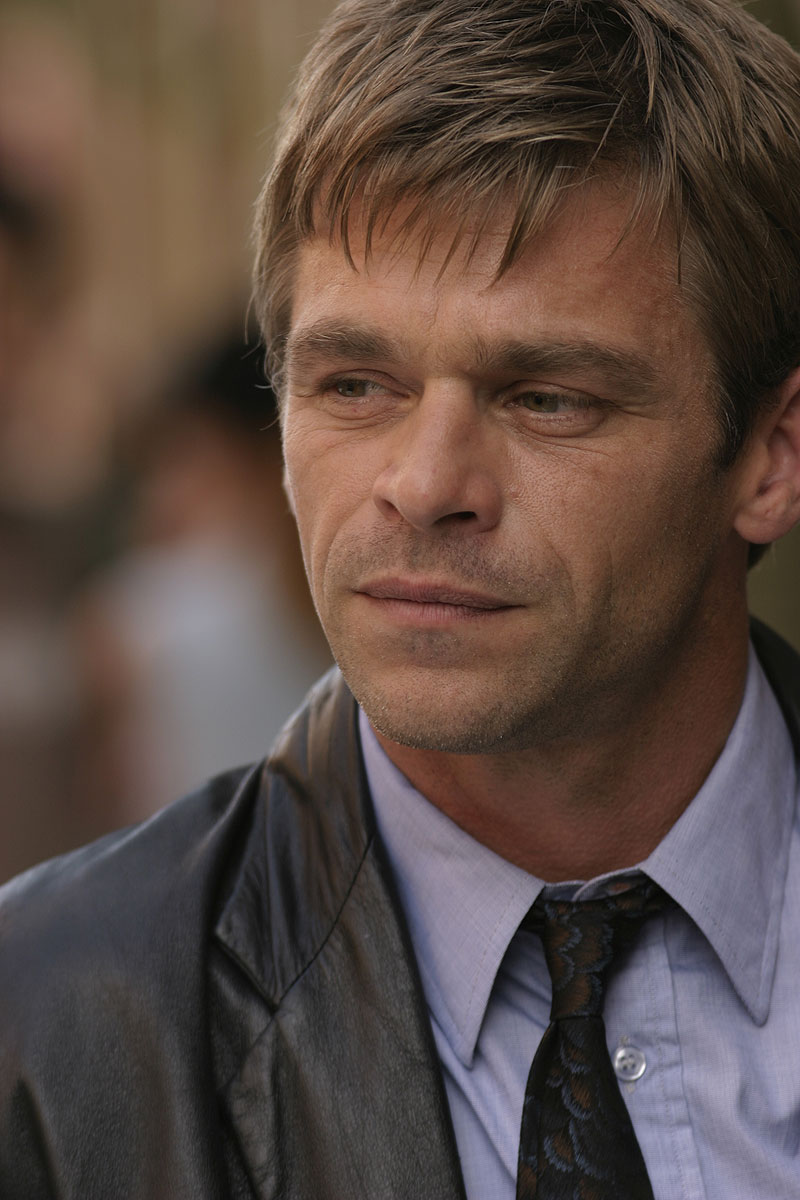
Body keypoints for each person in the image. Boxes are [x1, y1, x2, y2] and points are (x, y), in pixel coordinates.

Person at [2, 0, 800, 1195]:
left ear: (770, 456)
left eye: (546, 397)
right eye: (354, 384)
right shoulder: (47, 1030)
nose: (423, 487)